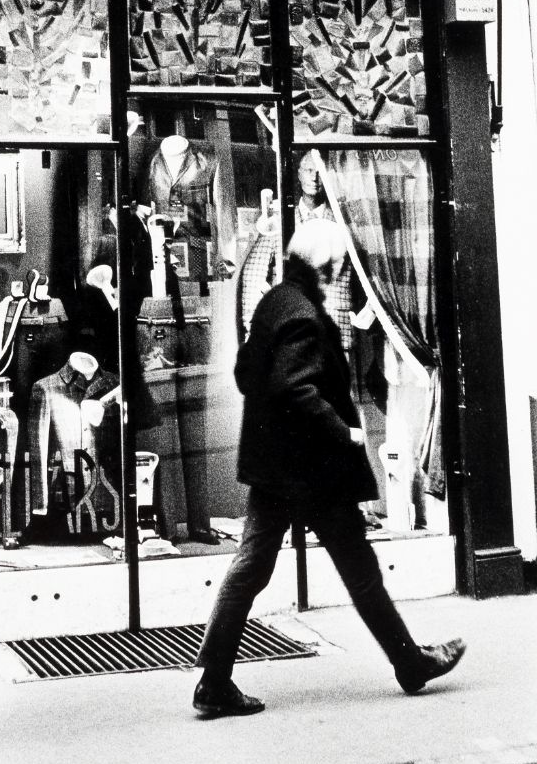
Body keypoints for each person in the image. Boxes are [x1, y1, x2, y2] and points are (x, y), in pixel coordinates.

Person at [191, 217, 465, 718]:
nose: (342, 272)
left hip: (276, 467)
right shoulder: (302, 313)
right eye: (340, 263)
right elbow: (295, 387)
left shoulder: (275, 301)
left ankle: (213, 681)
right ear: (330, 264)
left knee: (251, 568)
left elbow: (248, 374)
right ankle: (410, 664)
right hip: (311, 470)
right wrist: (347, 432)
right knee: (358, 572)